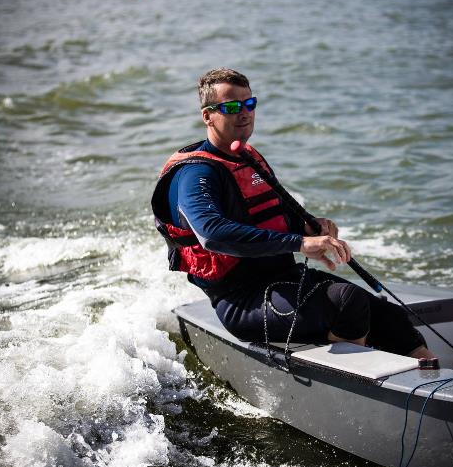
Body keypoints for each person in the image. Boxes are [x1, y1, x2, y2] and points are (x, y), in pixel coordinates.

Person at [151, 68, 433, 358]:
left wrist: (311, 227)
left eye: (250, 104)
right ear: (207, 115)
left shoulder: (248, 156)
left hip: (285, 277)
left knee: (390, 315)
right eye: (232, 107)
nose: (244, 113)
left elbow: (277, 214)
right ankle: (356, 378)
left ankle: (433, 367)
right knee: (348, 304)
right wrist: (301, 244)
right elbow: (211, 234)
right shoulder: (195, 173)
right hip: (242, 299)